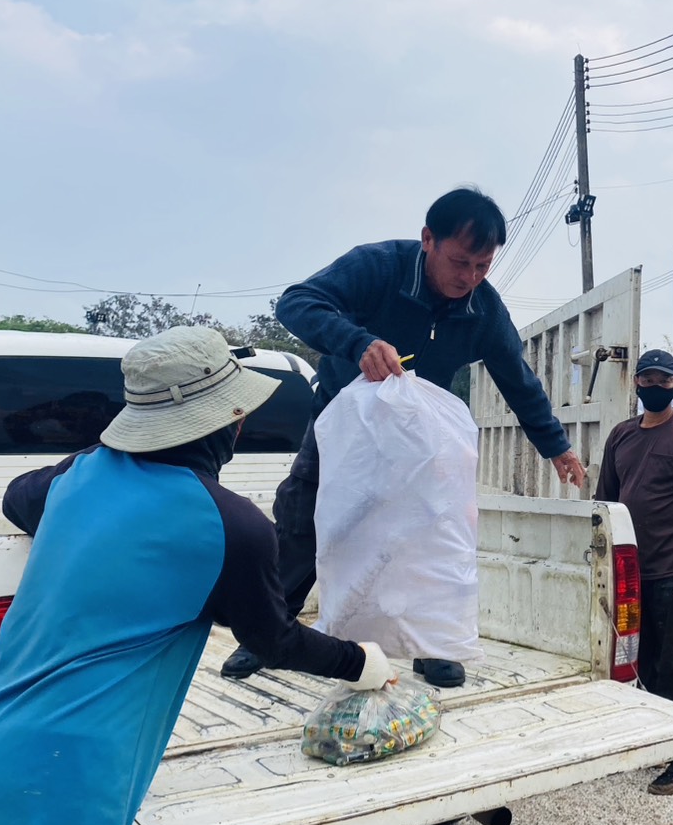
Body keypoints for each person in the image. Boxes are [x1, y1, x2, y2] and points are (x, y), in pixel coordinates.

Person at [0, 327, 394, 825]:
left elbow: (14, 497)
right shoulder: (229, 524)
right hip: (52, 801)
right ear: (229, 418)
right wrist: (363, 663)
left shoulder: (75, 475)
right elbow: (274, 639)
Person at [220, 187, 587, 688]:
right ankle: (266, 636)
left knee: (429, 536)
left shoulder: (484, 308)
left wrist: (556, 446)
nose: (469, 278)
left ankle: (432, 644)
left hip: (421, 445)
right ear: (427, 240)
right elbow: (296, 303)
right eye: (460, 262)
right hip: (344, 432)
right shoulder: (379, 268)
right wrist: (358, 341)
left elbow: (516, 377)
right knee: (302, 523)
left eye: (482, 266)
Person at [594, 349, 673, 795]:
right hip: (631, 576)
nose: (654, 386)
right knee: (637, 663)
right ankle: (654, 744)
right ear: (637, 385)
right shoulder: (621, 436)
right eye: (647, 378)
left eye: (663, 380)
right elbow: (604, 502)